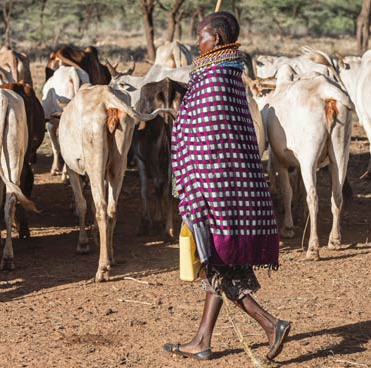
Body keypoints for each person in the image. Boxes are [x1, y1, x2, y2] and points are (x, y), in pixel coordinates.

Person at [162, 11, 291, 362]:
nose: (196, 43)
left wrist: (195, 191)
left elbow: (208, 143)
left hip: (216, 190)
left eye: (200, 36)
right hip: (235, 190)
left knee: (217, 263)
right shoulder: (230, 74)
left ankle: (270, 324)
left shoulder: (215, 79)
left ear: (216, 39)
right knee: (220, 262)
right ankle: (202, 340)